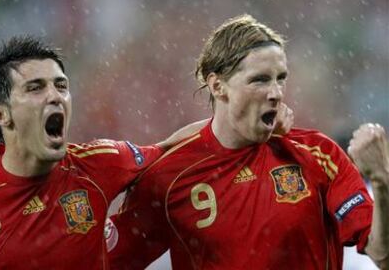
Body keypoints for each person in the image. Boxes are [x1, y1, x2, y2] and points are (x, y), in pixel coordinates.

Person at [109, 15, 389, 269]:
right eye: (260, 80)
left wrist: (381, 181)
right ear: (218, 86)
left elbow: (382, 254)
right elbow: (106, 262)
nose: (276, 93)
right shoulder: (168, 176)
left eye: (281, 79)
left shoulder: (318, 153)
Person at [0, 36, 209, 270]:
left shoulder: (98, 163)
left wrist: (238, 123)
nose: (55, 96)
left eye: (61, 86)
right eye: (35, 88)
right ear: (1, 114)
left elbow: (175, 147)